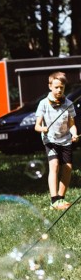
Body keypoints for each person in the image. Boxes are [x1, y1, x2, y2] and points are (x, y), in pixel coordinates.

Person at [35, 71, 78, 210]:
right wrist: (43, 129)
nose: (59, 90)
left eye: (62, 87)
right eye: (56, 87)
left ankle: (61, 198)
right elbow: (37, 126)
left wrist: (74, 134)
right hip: (50, 140)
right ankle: (54, 200)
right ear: (50, 86)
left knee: (68, 168)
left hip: (65, 140)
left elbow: (71, 124)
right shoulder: (43, 104)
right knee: (54, 165)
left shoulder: (69, 104)